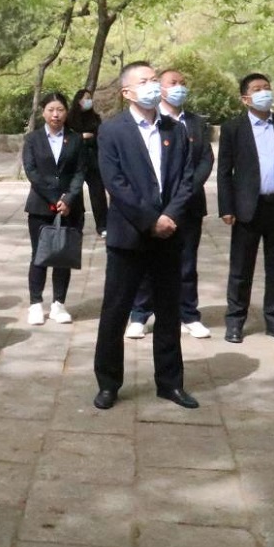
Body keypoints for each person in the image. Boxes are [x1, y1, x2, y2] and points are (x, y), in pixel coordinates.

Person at [92, 62, 198, 410]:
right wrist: (151, 220)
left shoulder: (175, 129)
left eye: (155, 80)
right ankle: (108, 383)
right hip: (129, 236)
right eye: (145, 81)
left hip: (169, 235)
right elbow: (115, 182)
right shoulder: (112, 131)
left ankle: (170, 382)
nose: (154, 86)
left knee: (168, 311)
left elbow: (186, 179)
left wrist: (170, 216)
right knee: (115, 311)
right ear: (127, 92)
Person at [217, 73, 274, 344]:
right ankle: (235, 322)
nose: (264, 93)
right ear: (246, 98)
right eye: (257, 89)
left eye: (267, 88)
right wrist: (226, 207)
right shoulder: (233, 128)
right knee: (241, 269)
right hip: (247, 209)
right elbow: (224, 172)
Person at [126, 70, 215, 340]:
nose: (179, 87)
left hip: (188, 205)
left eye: (183, 83)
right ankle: (140, 314)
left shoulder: (196, 123)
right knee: (145, 263)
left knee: (187, 263)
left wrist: (183, 195)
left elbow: (205, 160)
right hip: (151, 208)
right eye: (172, 83)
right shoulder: (150, 121)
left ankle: (188, 314)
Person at [22, 92, 87, 326]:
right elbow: (32, 172)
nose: (55, 115)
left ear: (66, 112)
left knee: (63, 255)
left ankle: (59, 303)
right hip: (41, 206)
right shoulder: (33, 139)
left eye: (60, 110)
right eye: (51, 110)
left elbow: (80, 172)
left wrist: (68, 199)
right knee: (39, 255)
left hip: (71, 207)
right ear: (43, 112)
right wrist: (53, 198)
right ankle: (35, 303)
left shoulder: (76, 139)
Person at [66, 88, 108, 236]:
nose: (89, 101)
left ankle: (103, 226)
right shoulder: (70, 119)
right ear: (78, 101)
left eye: (90, 98)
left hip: (93, 160)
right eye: (86, 98)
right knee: (75, 194)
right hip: (76, 161)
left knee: (98, 194)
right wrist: (81, 137)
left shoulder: (95, 118)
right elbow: (67, 138)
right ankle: (76, 225)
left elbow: (100, 136)